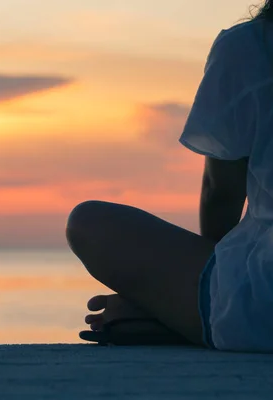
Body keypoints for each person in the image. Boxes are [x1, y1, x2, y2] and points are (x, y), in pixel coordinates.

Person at [67, 2, 273, 352]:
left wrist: (185, 291)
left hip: (262, 305)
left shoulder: (253, 45)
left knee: (87, 223)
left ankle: (176, 318)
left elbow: (220, 191)